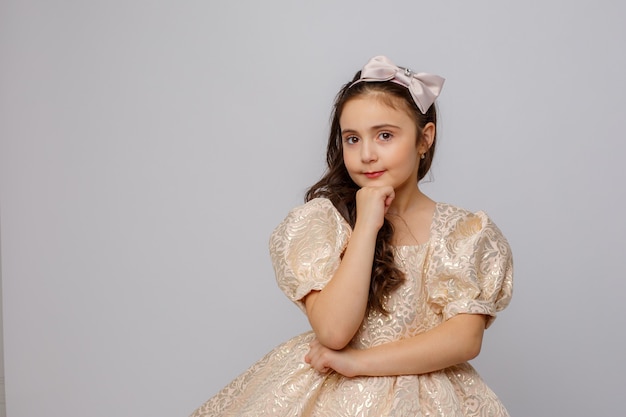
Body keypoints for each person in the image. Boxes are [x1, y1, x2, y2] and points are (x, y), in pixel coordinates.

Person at [189, 55, 513, 416]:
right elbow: (333, 332)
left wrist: (358, 363)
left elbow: (465, 340)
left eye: (385, 135)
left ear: (425, 139)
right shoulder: (324, 223)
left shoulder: (463, 234)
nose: (367, 155)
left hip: (430, 399)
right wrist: (367, 224)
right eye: (352, 139)